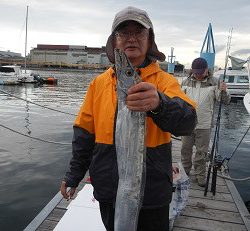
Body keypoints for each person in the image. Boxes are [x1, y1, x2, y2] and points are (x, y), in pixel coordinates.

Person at [60, 6, 197, 231]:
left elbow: (188, 122)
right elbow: (84, 134)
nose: (131, 38)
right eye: (123, 33)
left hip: (153, 195)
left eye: (139, 32)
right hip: (108, 192)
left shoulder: (165, 82)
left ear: (149, 39)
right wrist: (74, 175)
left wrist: (160, 104)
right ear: (114, 40)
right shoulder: (99, 84)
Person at [181, 57, 230, 187]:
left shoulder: (215, 82)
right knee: (185, 150)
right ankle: (185, 172)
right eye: (195, 72)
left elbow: (224, 100)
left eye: (200, 72)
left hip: (204, 124)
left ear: (206, 70)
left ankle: (200, 175)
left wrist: (224, 91)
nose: (198, 75)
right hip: (187, 124)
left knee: (201, 153)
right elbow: (178, 100)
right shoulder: (185, 82)